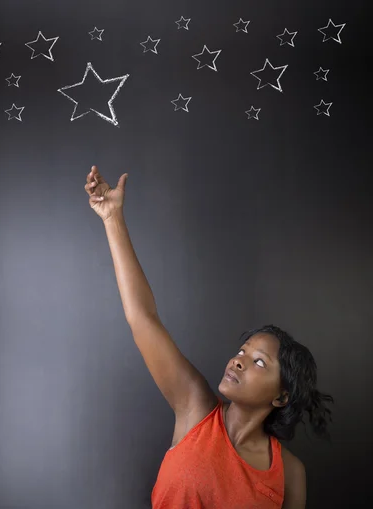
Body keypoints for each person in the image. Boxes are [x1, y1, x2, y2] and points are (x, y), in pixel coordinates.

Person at [84, 165, 334, 509]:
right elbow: (143, 318)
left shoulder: (290, 474)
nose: (239, 361)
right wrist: (112, 218)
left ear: (280, 397)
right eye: (243, 352)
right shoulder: (195, 407)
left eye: (259, 361)